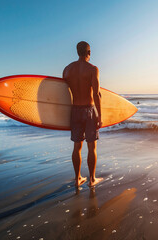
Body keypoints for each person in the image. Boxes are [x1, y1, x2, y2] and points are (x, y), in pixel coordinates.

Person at [63, 41, 103, 187]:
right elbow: (96, 94)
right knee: (92, 146)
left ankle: (77, 178)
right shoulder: (93, 69)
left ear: (77, 52)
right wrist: (99, 115)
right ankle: (92, 180)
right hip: (89, 110)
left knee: (76, 146)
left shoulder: (67, 70)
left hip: (75, 111)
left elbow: (63, 94)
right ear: (89, 53)